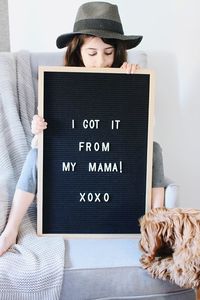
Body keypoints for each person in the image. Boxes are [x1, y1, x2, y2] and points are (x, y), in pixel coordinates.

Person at [0, 1, 165, 256]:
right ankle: (10, 230)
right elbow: (52, 138)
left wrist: (135, 88)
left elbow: (141, 132)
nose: (101, 61)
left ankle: (157, 224)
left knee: (154, 149)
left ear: (117, 51)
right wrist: (38, 128)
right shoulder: (61, 84)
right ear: (79, 51)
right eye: (92, 53)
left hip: (116, 159)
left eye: (109, 52)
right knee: (36, 155)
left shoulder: (129, 77)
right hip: (77, 162)